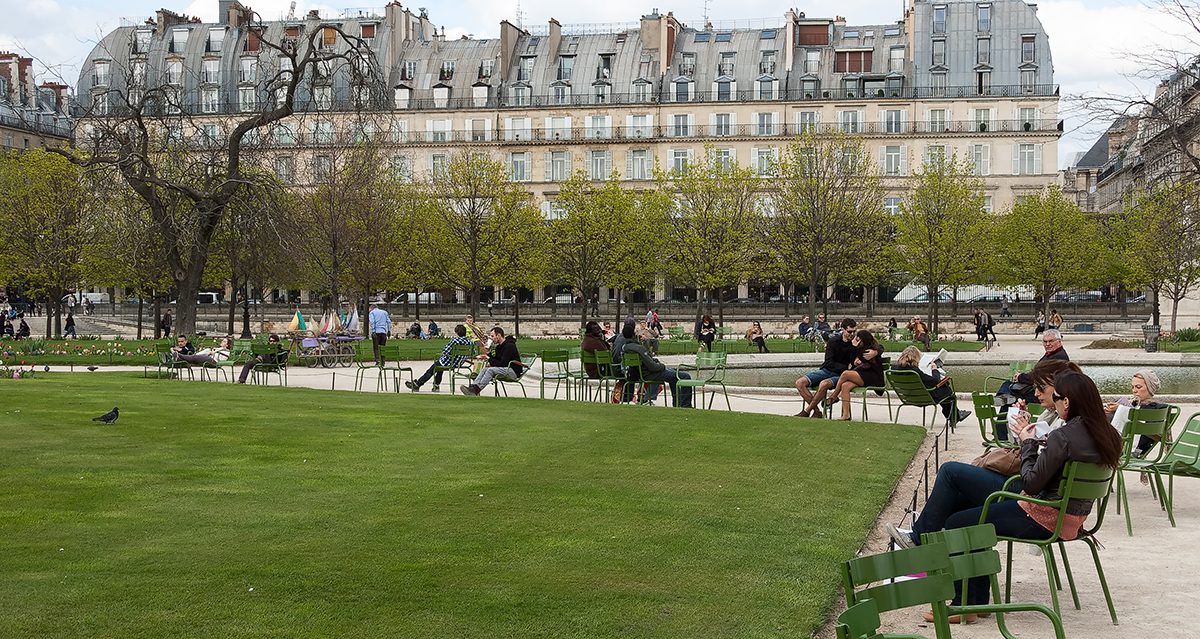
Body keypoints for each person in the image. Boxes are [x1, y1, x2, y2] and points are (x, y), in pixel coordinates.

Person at [888, 371, 1122, 619]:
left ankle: (963, 603)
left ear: (1068, 401)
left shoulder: (1062, 436)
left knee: (958, 522)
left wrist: (1028, 442)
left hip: (1044, 515)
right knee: (961, 510)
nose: (1055, 401)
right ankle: (976, 603)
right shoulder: (1109, 435)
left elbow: (1031, 484)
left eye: (1057, 397)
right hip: (1073, 517)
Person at [890, 345, 971, 425]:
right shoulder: (915, 372)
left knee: (943, 388)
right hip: (923, 398)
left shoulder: (894, 369)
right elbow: (935, 380)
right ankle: (955, 416)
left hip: (907, 397)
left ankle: (956, 415)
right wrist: (934, 370)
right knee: (947, 390)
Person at [795, 319, 859, 418]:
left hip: (842, 375)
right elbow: (828, 362)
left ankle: (807, 411)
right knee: (800, 383)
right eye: (849, 331)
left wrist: (858, 349)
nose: (852, 334)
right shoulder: (833, 341)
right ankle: (817, 411)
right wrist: (845, 366)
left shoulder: (855, 343)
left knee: (824, 384)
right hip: (827, 370)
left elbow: (877, 347)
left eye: (854, 331)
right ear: (842, 329)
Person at [622, 322, 693, 407]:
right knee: (685, 376)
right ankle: (685, 405)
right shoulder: (639, 348)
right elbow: (652, 366)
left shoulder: (625, 348)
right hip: (652, 374)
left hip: (641, 374)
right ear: (634, 334)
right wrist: (662, 366)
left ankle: (677, 404)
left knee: (674, 377)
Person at [1104, 369, 1169, 458]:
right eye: (1133, 387)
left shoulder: (1157, 408)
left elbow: (1152, 433)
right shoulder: (1132, 404)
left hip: (1133, 450)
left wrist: (1123, 410)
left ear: (1150, 388)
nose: (1134, 391)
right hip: (1121, 445)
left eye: (1138, 387)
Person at [827, 330, 887, 420]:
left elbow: (867, 361)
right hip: (864, 375)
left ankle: (834, 396)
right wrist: (855, 361)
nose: (857, 342)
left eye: (859, 341)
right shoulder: (858, 348)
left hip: (874, 377)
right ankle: (846, 415)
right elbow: (852, 363)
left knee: (845, 374)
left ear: (864, 341)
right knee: (845, 386)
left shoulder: (870, 351)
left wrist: (873, 353)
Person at [406, 325, 475, 392]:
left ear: (456, 333)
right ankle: (436, 385)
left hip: (449, 362)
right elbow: (473, 353)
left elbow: (444, 352)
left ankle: (418, 384)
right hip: (458, 363)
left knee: (431, 370)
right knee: (440, 366)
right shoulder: (470, 342)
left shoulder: (455, 341)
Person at [460, 326, 523, 396]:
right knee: (484, 369)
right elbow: (496, 362)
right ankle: (473, 387)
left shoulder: (509, 346)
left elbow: (502, 363)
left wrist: (487, 358)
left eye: (492, 336)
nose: (491, 338)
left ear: (498, 335)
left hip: (513, 371)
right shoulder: (499, 347)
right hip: (505, 368)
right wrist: (488, 353)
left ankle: (476, 390)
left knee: (490, 370)